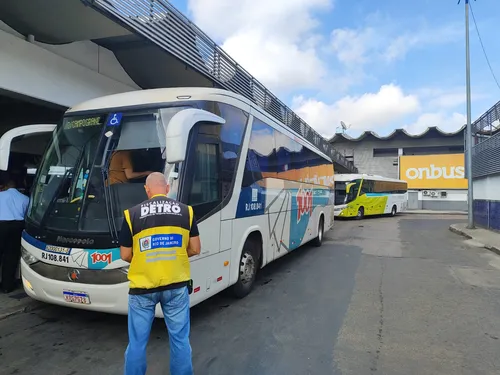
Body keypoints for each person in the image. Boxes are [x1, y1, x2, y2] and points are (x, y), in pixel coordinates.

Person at [119, 172, 201, 375]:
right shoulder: (186, 212)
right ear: (167, 188)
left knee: (137, 343)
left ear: (147, 190)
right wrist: (174, 256)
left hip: (142, 288)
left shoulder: (132, 214)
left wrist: (145, 260)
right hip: (176, 285)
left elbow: (125, 254)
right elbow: (195, 248)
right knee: (180, 339)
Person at [0, 174, 29, 293]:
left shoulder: (1, 195)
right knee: (11, 257)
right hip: (18, 226)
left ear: (6, 186)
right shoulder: (25, 198)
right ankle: (7, 286)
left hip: (1, 225)